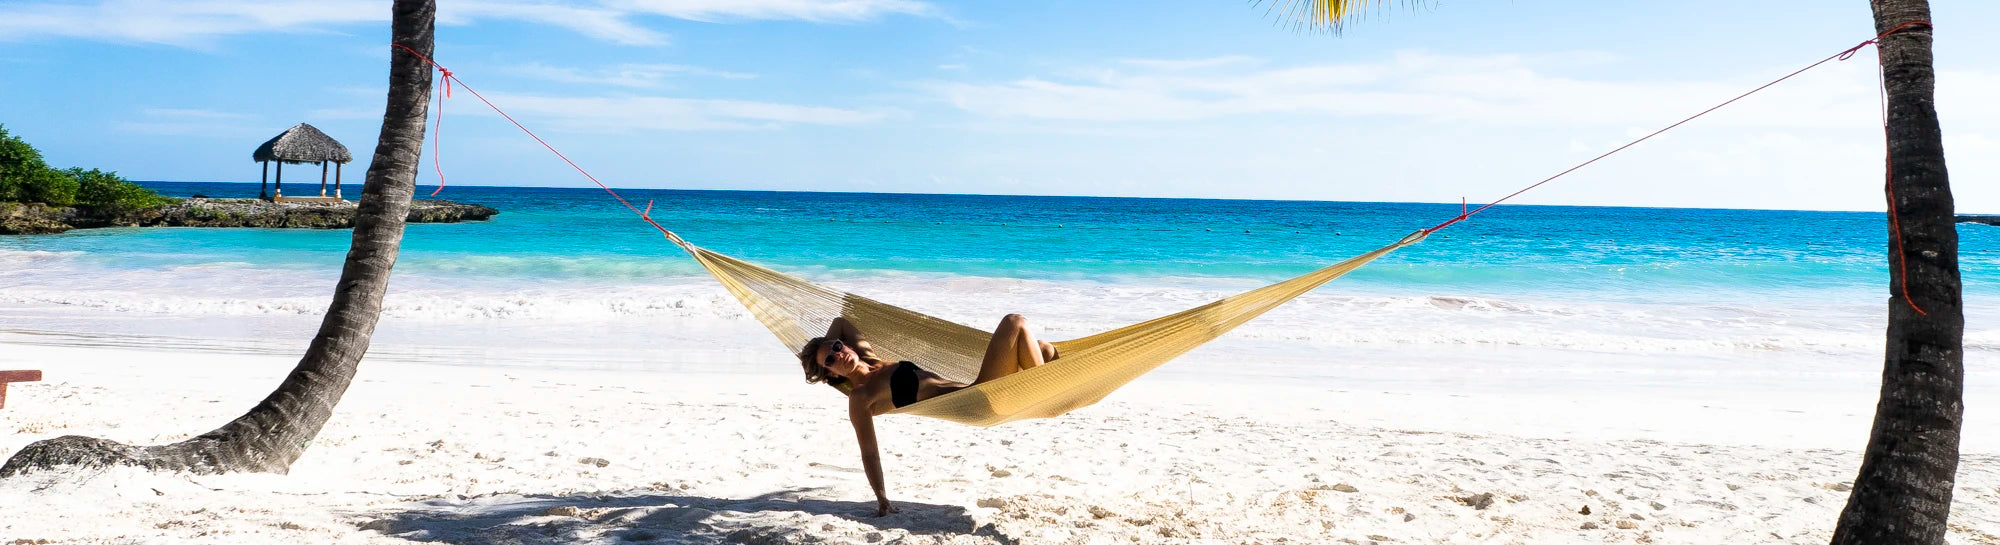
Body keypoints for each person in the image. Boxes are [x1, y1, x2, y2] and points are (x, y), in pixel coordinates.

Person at [797, 314, 1057, 516]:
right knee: (1014, 322)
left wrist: (824, 347)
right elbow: (869, 452)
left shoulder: (871, 358)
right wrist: (882, 498)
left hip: (977, 388)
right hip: (977, 401)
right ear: (831, 375)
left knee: (1043, 348)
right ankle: (1049, 393)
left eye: (838, 347)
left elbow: (840, 322)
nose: (839, 356)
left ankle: (1054, 387)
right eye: (830, 361)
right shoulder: (861, 396)